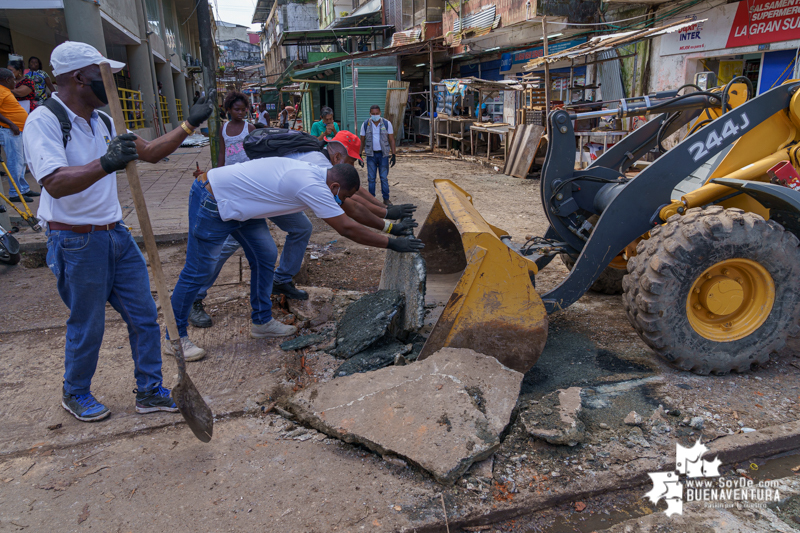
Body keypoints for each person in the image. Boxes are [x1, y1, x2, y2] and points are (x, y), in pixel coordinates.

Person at [21, 41, 216, 422]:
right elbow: (55, 182)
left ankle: (149, 389)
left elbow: (150, 152)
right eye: (103, 75)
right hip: (75, 240)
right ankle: (74, 392)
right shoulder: (44, 121)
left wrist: (189, 124)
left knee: (144, 316)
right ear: (78, 78)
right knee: (87, 322)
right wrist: (106, 162)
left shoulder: (104, 121)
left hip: (116, 234)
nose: (112, 81)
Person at [171, 158, 423, 353]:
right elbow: (346, 227)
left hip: (243, 207)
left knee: (265, 254)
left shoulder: (322, 175)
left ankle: (261, 322)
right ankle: (175, 337)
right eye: (341, 195)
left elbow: (352, 206)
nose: (341, 200)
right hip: (214, 199)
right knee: (198, 270)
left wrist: (388, 222)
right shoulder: (312, 184)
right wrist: (391, 244)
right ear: (335, 186)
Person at [0, 68, 34, 202]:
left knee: (21, 162)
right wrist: (12, 124)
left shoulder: (5, 91)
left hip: (18, 130)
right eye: (13, 80)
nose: (15, 82)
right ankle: (15, 193)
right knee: (15, 162)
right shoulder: (1, 91)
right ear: (7, 80)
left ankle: (24, 189)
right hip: (10, 131)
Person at [359, 105, 396, 206]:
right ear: (370, 114)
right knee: (371, 178)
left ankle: (386, 199)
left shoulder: (387, 124)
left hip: (383, 155)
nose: (375, 115)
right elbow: (362, 140)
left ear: (380, 113)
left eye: (377, 113)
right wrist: (360, 155)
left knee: (383, 177)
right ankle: (372, 200)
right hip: (371, 155)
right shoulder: (366, 124)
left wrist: (393, 154)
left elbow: (391, 139)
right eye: (373, 114)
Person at [218, 91, 254, 167]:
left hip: (247, 169)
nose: (240, 112)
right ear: (229, 110)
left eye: (243, 110)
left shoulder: (250, 128)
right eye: (237, 110)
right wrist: (218, 171)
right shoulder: (223, 129)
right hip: (229, 170)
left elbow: (255, 151)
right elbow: (222, 152)